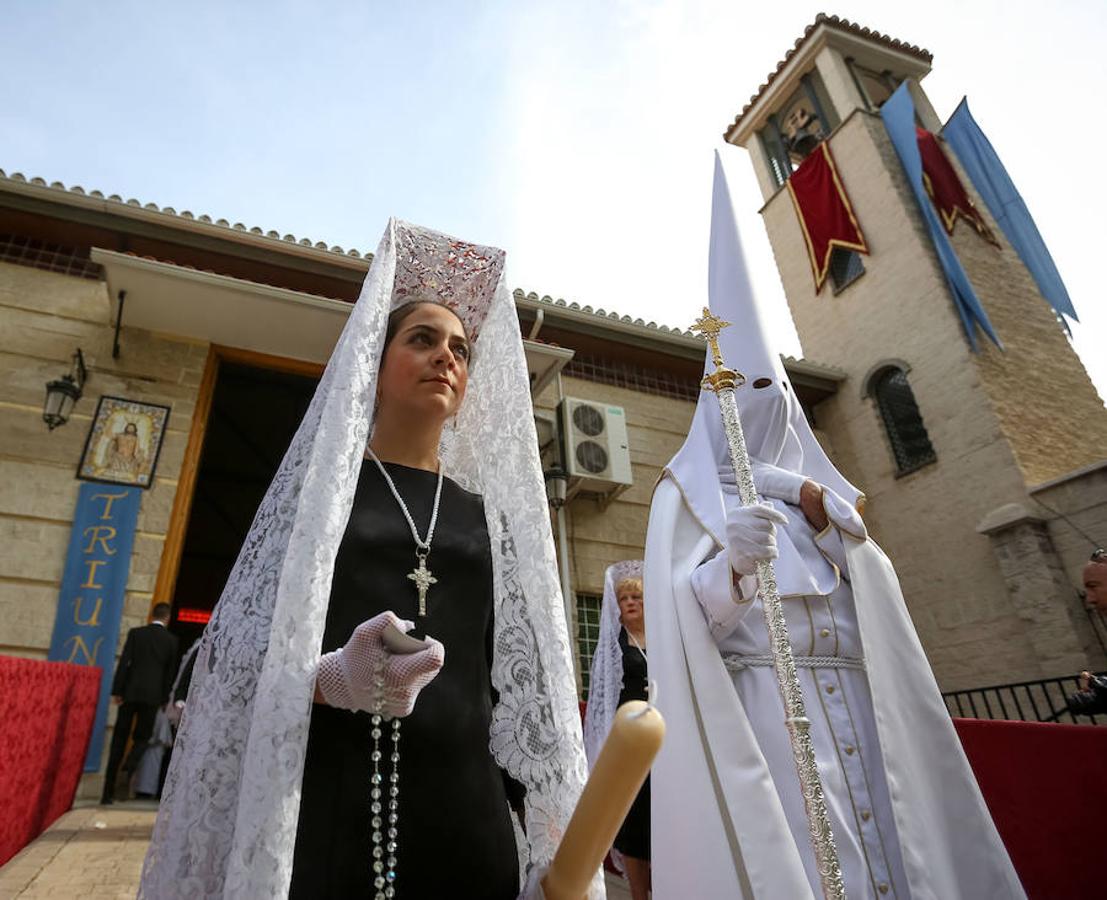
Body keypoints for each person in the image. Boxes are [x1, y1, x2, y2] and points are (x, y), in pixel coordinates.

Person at [139, 221, 595, 900]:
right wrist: (322, 678)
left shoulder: (488, 519)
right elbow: (234, 659)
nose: (446, 357)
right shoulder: (322, 500)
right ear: (374, 368)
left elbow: (520, 683)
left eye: (461, 349)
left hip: (467, 805)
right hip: (339, 791)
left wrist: (547, 828)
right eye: (422, 339)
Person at [642, 154, 1025, 899]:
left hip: (863, 712)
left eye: (769, 389)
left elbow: (878, 606)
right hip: (765, 722)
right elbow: (680, 630)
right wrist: (731, 570)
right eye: (740, 390)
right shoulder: (682, 499)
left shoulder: (825, 499)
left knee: (898, 851)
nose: (757, 406)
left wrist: (829, 536)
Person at [582, 561, 650, 900]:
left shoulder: (662, 640)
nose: (630, 603)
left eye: (636, 597)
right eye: (623, 599)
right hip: (630, 741)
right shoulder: (614, 647)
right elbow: (602, 696)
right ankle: (639, 894)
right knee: (634, 821)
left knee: (663, 815)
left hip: (665, 739)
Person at [101, 602, 178, 804]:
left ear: (152, 615)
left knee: (119, 739)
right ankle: (129, 765)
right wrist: (164, 699)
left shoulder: (136, 634)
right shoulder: (171, 641)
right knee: (142, 738)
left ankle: (107, 793)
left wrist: (118, 690)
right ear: (167, 618)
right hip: (152, 698)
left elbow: (125, 662)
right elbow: (169, 674)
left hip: (130, 693)